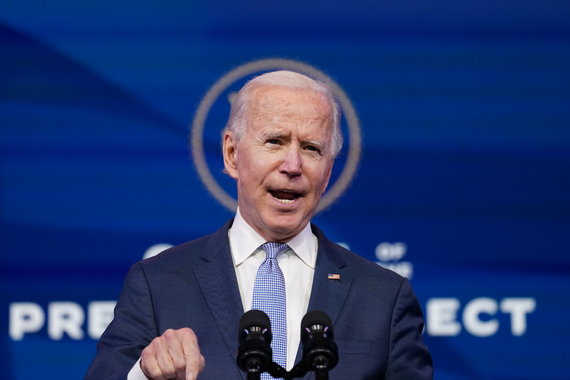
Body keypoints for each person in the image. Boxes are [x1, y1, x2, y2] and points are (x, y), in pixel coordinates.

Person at [85, 70, 433, 380]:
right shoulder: (158, 284)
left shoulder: (384, 298)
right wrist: (145, 376)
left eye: (311, 148)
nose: (292, 165)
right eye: (275, 142)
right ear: (232, 154)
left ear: (327, 172)